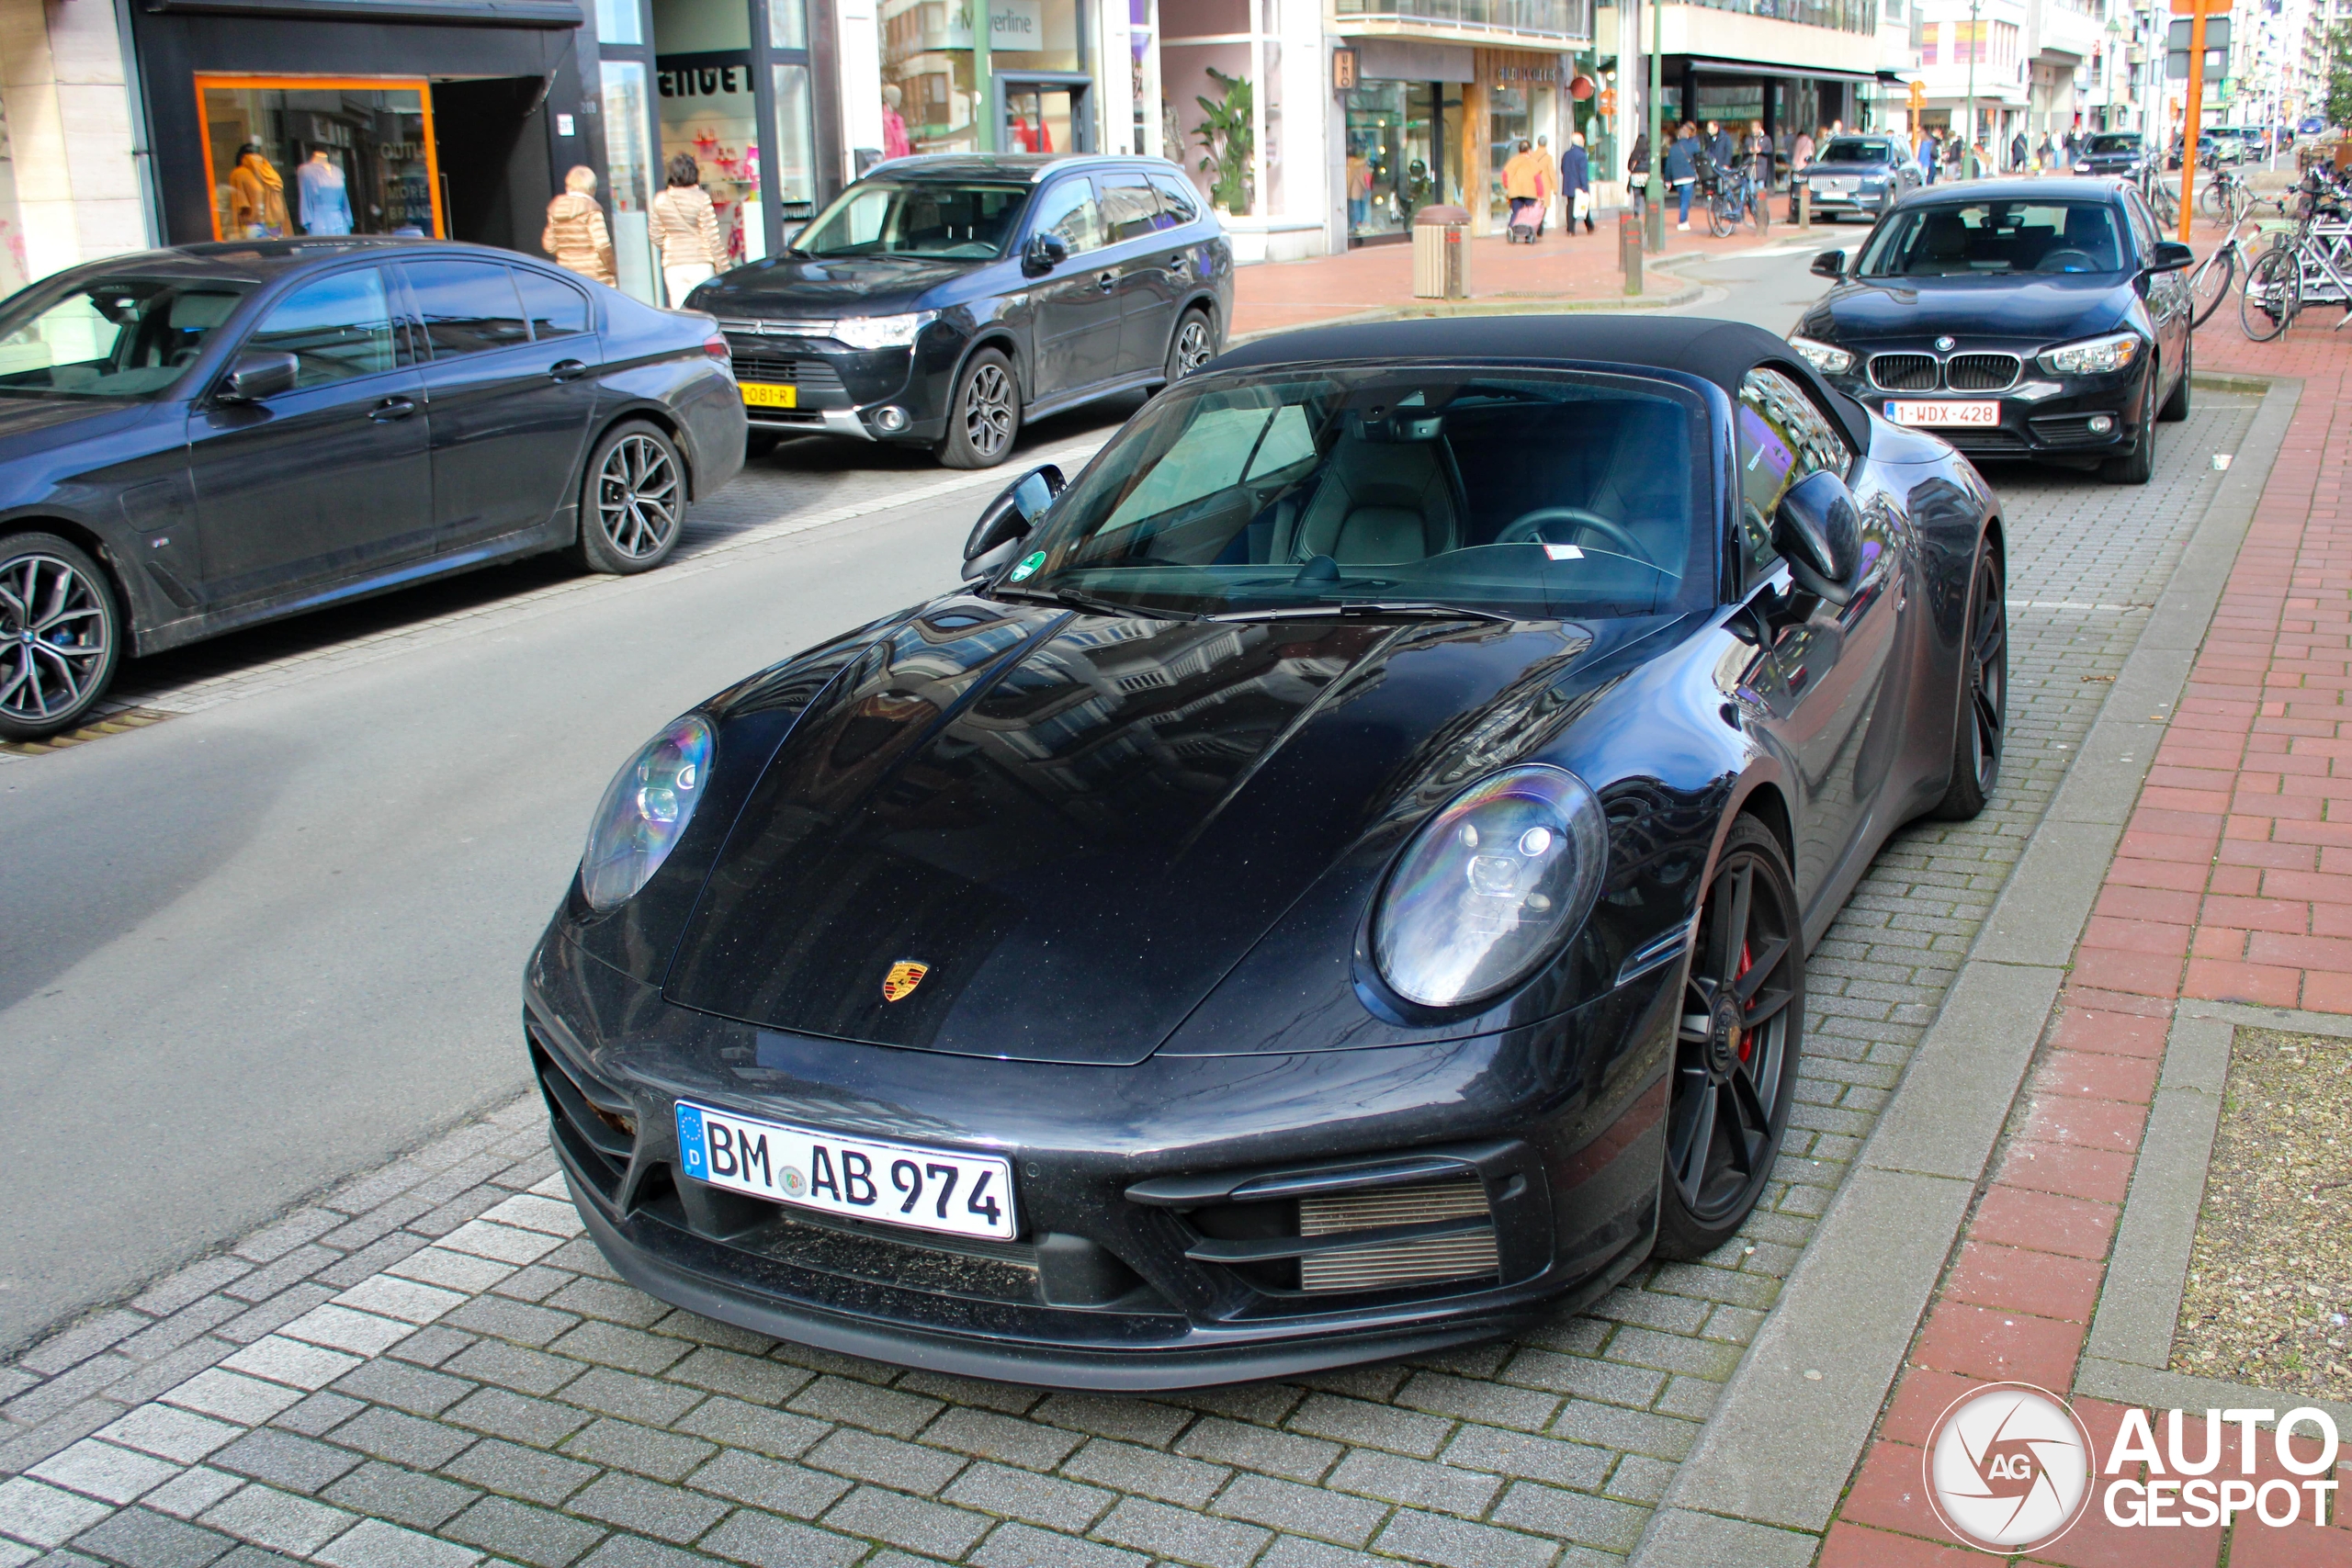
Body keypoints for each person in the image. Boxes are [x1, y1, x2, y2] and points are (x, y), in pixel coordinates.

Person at [650, 152, 726, 307]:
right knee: (705, 311)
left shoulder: (661, 199)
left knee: (681, 312)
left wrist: (671, 247)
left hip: (673, 263)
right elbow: (712, 238)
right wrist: (724, 266)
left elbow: (655, 234)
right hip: (700, 261)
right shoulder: (701, 198)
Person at [543, 165, 617, 288]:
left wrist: (567, 254)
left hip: (567, 272)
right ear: (592, 188)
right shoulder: (592, 209)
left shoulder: (555, 209)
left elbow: (549, 245)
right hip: (594, 273)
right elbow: (602, 244)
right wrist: (611, 267)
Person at [228, 143, 289, 239]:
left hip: (263, 226)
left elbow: (237, 207)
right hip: (264, 226)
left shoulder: (271, 174)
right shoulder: (272, 175)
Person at [1501, 138, 1549, 237]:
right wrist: (1540, 195)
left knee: (1516, 213)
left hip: (1515, 192)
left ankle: (1511, 228)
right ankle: (1529, 233)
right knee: (1529, 213)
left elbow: (1505, 174)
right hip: (1530, 192)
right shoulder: (1533, 163)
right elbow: (1538, 180)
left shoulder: (1512, 161)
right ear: (1529, 151)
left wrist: (1507, 185)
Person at [1666, 122, 1699, 231]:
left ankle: (1684, 220)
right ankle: (1682, 221)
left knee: (1682, 200)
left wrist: (1667, 180)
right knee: (1685, 201)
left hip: (1677, 178)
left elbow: (1668, 165)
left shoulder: (1673, 149)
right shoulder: (1692, 146)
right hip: (1688, 176)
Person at [1560, 131, 1593, 233]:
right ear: (1579, 141)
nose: (1584, 142)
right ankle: (1590, 226)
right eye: (1583, 140)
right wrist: (1585, 188)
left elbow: (1563, 169)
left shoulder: (1566, 154)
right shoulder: (1582, 155)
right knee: (1583, 205)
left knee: (1571, 206)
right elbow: (1583, 172)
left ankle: (1570, 229)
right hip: (1578, 185)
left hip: (1569, 184)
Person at [880, 85, 912, 161]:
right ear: (888, 98)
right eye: (895, 96)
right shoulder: (881, 119)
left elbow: (905, 145)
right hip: (888, 164)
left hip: (901, 164)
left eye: (899, 97)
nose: (898, 100)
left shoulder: (900, 120)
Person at [1627, 130, 1651, 220]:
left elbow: (1629, 167)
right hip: (1646, 177)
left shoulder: (1635, 153)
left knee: (1636, 198)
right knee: (1647, 198)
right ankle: (1649, 215)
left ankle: (1636, 215)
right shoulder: (1649, 152)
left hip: (1636, 177)